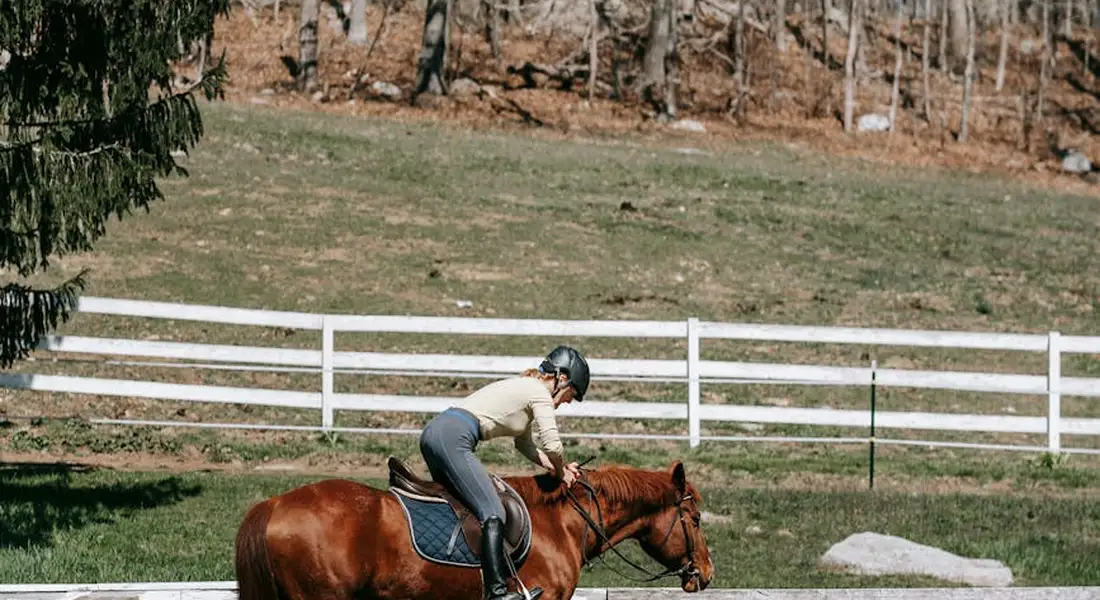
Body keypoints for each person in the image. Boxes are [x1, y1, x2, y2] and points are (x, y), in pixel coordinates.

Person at [418, 345, 591, 600]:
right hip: (453, 437)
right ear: (561, 379)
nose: (567, 402)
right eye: (571, 394)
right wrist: (560, 472)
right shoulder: (538, 393)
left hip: (438, 432)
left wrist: (559, 468)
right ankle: (497, 592)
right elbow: (553, 445)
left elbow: (525, 445)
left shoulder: (525, 389)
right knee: (494, 511)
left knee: (462, 509)